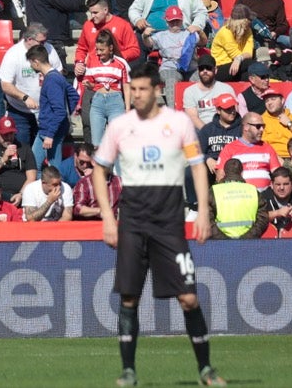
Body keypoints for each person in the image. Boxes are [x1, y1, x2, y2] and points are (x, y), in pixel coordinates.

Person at [94, 68, 221, 388]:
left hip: (169, 223)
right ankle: (128, 371)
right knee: (129, 298)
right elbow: (99, 169)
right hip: (133, 221)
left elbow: (197, 166)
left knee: (188, 298)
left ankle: (206, 369)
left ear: (157, 89)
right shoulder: (120, 125)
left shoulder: (179, 122)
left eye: (142, 89)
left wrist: (203, 211)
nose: (136, 94)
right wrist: (108, 217)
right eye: (132, 89)